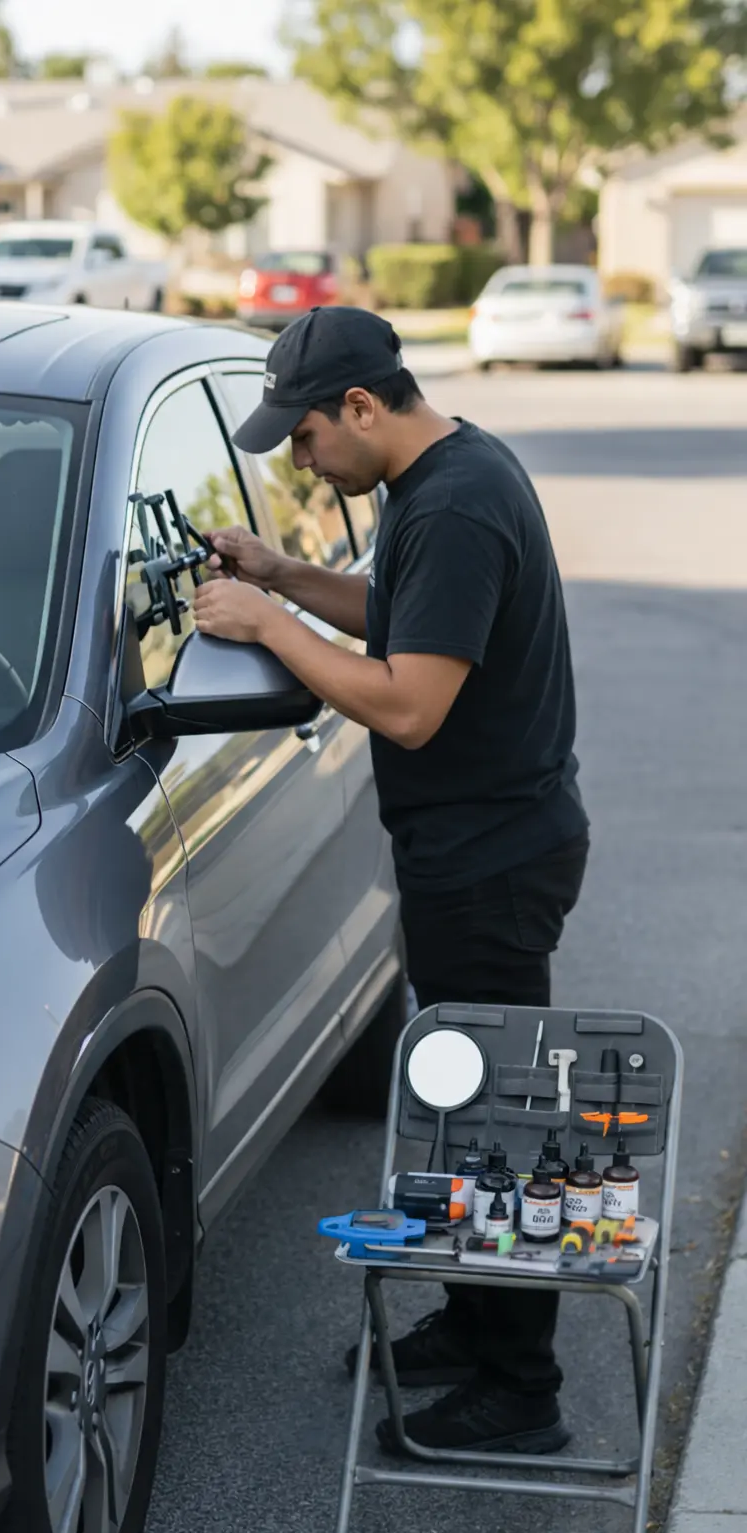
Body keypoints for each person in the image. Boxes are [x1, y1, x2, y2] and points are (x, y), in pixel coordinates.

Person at [192, 306, 590, 1457]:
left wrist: (267, 623)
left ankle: (524, 1390)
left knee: (500, 1123)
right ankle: (475, 1324)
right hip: (475, 851)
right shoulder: (443, 473)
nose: (300, 460)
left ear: (362, 407)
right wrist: (289, 575)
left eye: (307, 438)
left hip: (491, 861)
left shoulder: (457, 503)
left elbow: (411, 703)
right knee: (467, 1111)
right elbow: (411, 620)